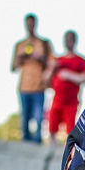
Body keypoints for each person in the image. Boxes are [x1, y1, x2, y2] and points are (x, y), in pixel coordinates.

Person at [10, 13, 53, 143]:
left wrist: (40, 58)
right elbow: (13, 67)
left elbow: (52, 63)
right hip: (24, 87)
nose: (30, 26)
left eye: (32, 23)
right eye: (28, 23)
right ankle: (25, 146)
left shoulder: (44, 43)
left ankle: (37, 145)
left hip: (39, 86)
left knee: (39, 119)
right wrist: (21, 58)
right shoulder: (20, 45)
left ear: (35, 24)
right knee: (25, 119)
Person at [46, 29, 85, 144]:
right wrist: (53, 70)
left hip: (71, 102)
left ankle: (69, 152)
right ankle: (52, 150)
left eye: (70, 39)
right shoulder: (57, 61)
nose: (68, 42)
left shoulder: (81, 61)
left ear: (75, 41)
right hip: (56, 100)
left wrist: (68, 75)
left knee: (70, 130)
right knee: (52, 127)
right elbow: (46, 81)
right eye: (66, 40)